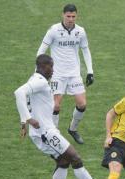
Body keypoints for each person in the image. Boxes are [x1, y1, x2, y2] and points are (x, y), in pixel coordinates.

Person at [14, 54, 106, 179]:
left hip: (44, 131)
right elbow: (18, 93)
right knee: (75, 158)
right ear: (43, 66)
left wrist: (24, 122)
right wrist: (28, 119)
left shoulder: (34, 79)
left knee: (63, 161)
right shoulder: (40, 81)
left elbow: (25, 98)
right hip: (45, 132)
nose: (53, 70)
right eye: (51, 66)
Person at [37, 4, 94, 144]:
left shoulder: (80, 31)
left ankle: (72, 129)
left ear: (77, 16)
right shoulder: (53, 30)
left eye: (73, 16)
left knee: (82, 104)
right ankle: (54, 134)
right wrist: (39, 72)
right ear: (63, 15)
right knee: (56, 106)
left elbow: (85, 50)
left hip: (74, 73)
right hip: (57, 74)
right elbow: (41, 52)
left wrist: (90, 71)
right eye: (68, 16)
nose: (70, 19)